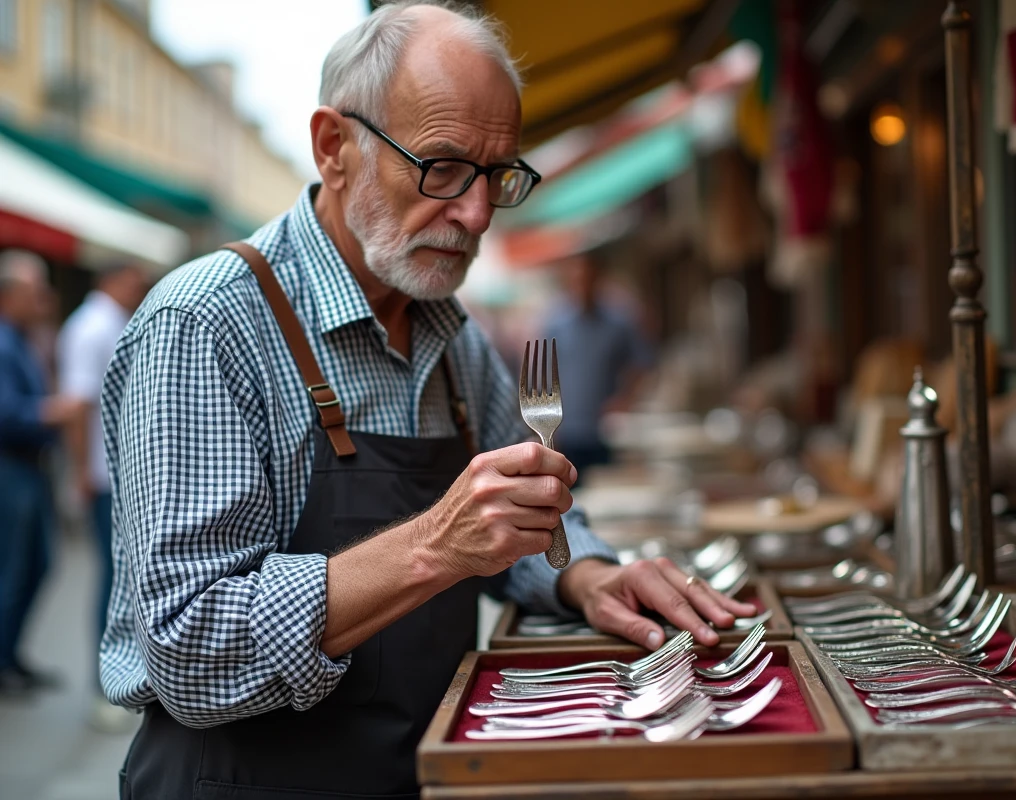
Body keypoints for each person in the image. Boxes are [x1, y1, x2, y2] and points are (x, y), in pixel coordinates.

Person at [102, 3, 754, 797]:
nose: (476, 213)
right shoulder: (204, 324)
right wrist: (434, 547)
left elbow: (523, 516)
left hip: (418, 770)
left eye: (496, 175)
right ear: (333, 147)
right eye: (441, 167)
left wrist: (584, 576)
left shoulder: (452, 337)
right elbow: (187, 649)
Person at [56, 263, 147, 729]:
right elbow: (75, 405)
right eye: (133, 280)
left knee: (123, 578)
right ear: (110, 281)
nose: (138, 287)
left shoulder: (110, 322)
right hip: (101, 476)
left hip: (112, 473)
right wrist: (79, 473)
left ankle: (116, 684)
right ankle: (104, 689)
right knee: (114, 580)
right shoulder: (91, 328)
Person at [0, 249, 84, 696]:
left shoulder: (22, 338)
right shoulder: (4, 342)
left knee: (35, 566)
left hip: (29, 470)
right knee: (14, 570)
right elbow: (8, 413)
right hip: (12, 470)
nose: (44, 299)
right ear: (8, 294)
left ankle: (11, 655)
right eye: (34, 291)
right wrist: (56, 412)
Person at [540, 253, 653, 478]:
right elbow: (544, 375)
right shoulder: (555, 325)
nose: (582, 284)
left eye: (587, 277)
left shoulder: (619, 323)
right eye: (577, 278)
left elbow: (642, 364)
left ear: (598, 279)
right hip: (566, 429)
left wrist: (625, 399)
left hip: (605, 430)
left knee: (605, 488)